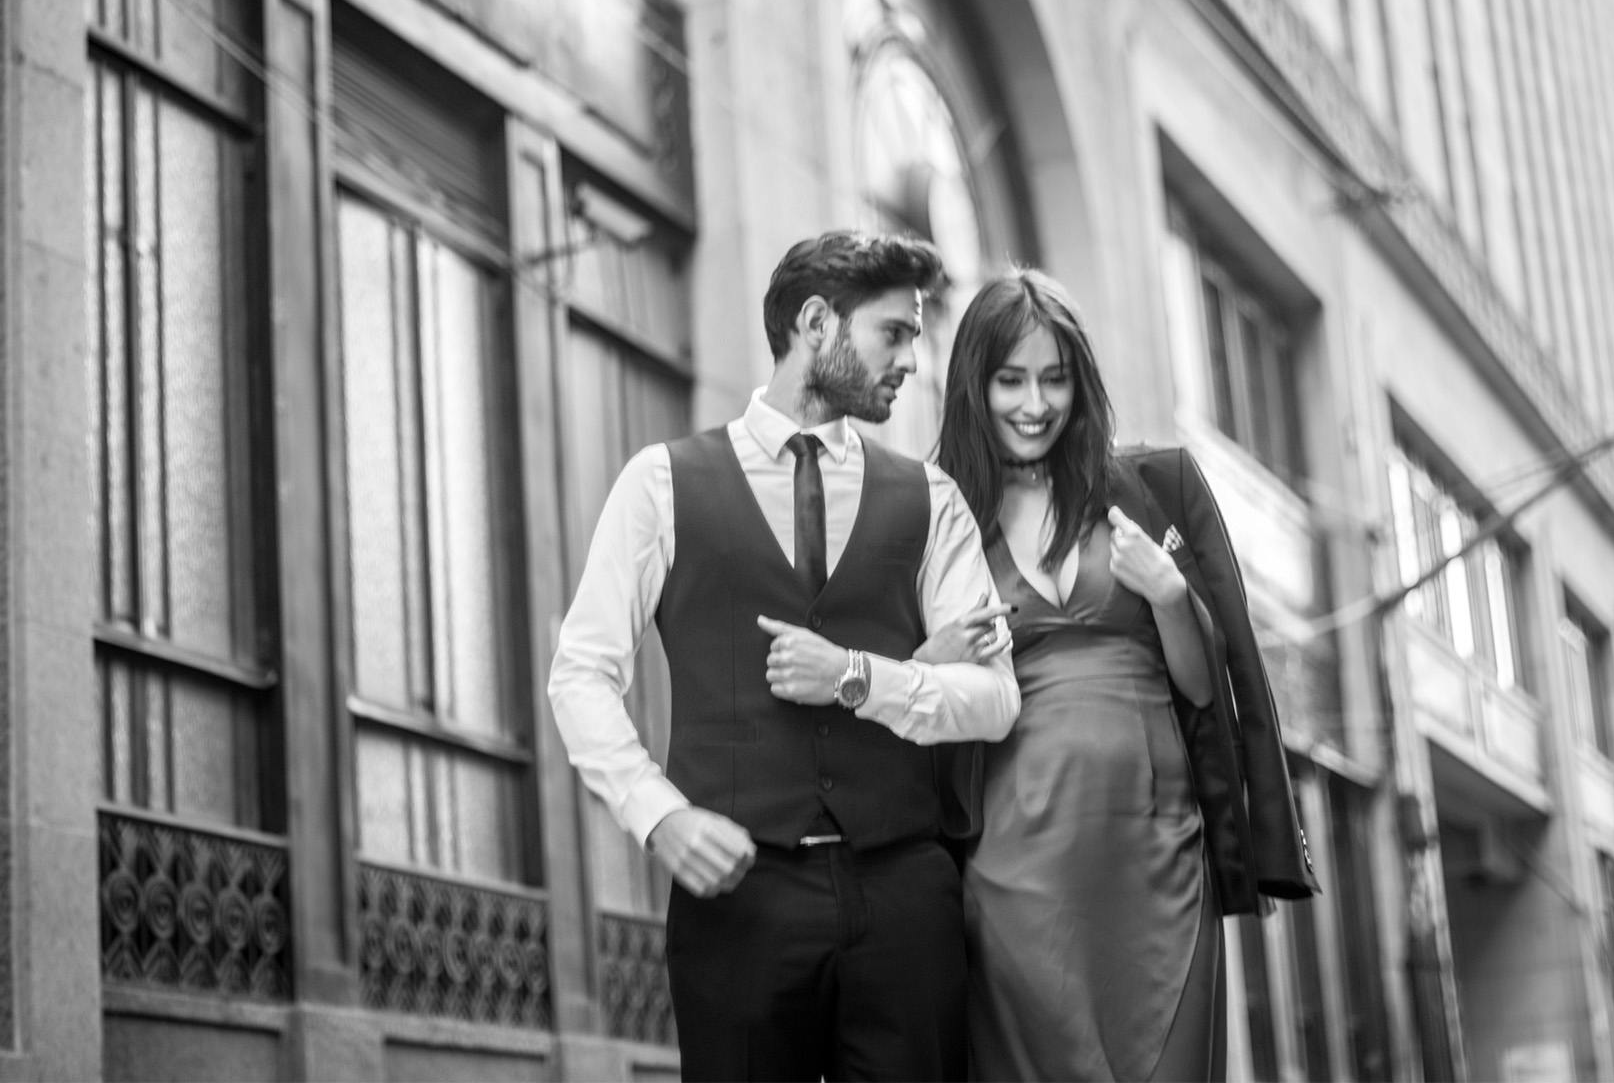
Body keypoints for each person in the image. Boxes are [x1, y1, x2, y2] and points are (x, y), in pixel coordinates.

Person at [546, 229, 1020, 1083]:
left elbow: (994, 698)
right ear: (815, 323)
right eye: (895, 332)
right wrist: (659, 815)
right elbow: (580, 673)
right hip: (739, 900)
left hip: (905, 892)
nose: (912, 359)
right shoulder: (661, 484)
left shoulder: (930, 498)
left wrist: (859, 676)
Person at [934, 269, 1317, 1082]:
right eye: (1011, 381)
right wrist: (944, 655)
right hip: (1013, 866)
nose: (1034, 403)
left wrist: (1173, 597)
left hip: (1159, 856)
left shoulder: (1155, 488)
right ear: (975, 384)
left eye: (1054, 379)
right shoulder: (944, 518)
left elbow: (1208, 688)